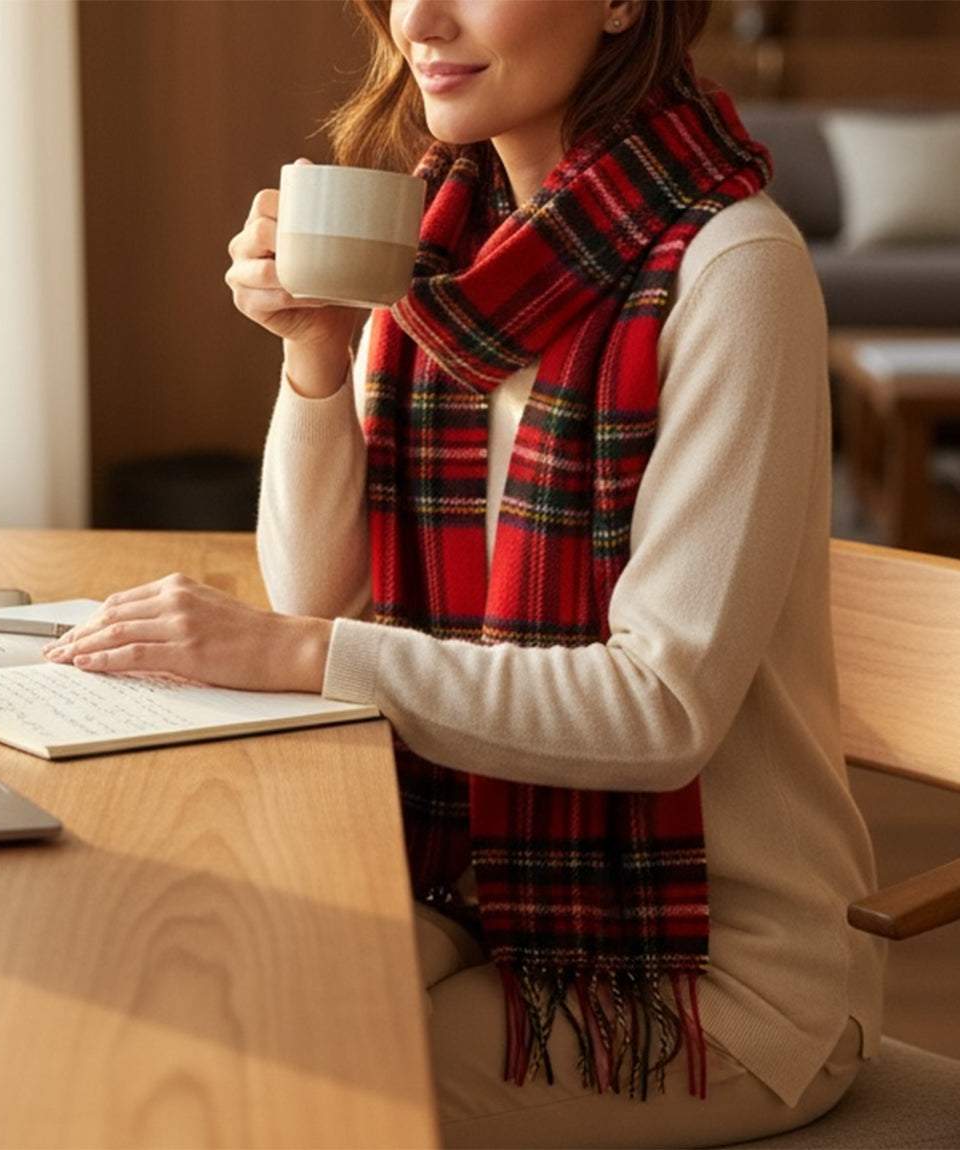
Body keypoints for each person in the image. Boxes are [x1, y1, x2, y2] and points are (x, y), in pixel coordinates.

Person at [43, 1, 887, 1146]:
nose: (418, 20)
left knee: (258, 1091)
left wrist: (290, 654)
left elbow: (660, 711)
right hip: (476, 893)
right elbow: (319, 602)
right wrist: (314, 355)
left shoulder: (733, 268)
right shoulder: (444, 251)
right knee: (173, 991)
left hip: (702, 972)